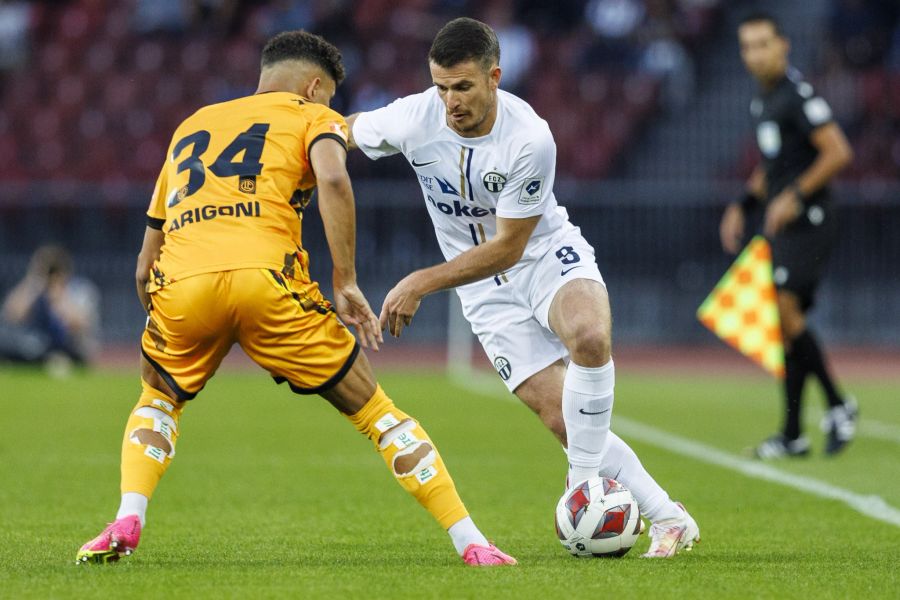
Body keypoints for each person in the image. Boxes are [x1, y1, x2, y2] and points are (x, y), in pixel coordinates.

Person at [76, 30, 515, 567]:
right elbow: (332, 178)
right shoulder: (313, 117)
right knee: (377, 412)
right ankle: (471, 541)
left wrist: (160, 294)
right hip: (269, 281)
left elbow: (148, 251)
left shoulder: (194, 124)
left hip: (185, 279)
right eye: (329, 96)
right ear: (314, 87)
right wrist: (346, 280)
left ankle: (128, 515)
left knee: (158, 399)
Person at [347, 17, 699, 558]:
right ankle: (670, 518)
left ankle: (583, 487)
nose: (449, 102)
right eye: (440, 87)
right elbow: (341, 132)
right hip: (484, 294)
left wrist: (421, 281)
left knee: (588, 335)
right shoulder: (414, 116)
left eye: (462, 87)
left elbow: (509, 248)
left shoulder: (530, 138)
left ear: (494, 77)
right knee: (563, 419)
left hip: (541, 256)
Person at [720, 12, 858, 460]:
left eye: (763, 44)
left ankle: (839, 404)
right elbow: (773, 167)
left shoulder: (798, 95)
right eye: (747, 46)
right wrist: (745, 203)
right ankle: (793, 434)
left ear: (784, 46)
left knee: (783, 308)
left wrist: (794, 195)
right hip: (787, 223)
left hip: (812, 218)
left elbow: (838, 151)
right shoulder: (767, 99)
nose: (755, 54)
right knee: (784, 322)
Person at [0, 244, 99, 370]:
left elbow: (80, 324)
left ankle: (54, 360)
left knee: (69, 353)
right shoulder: (34, 288)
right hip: (38, 345)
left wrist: (59, 295)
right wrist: (34, 281)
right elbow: (13, 315)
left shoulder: (80, 288)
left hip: (71, 346)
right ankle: (50, 361)